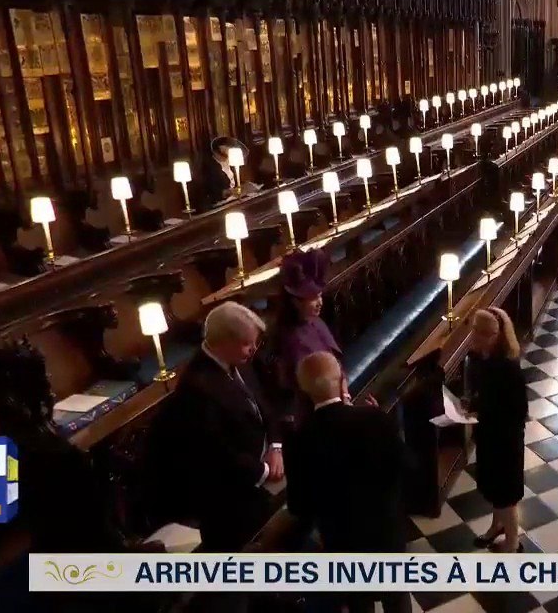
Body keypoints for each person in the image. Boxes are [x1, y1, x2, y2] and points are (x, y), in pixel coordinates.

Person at [284, 352, 412, 613]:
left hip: (342, 543)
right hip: (385, 534)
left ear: (305, 391)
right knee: (396, 599)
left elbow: (299, 506)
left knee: (357, 603)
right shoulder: (374, 419)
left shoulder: (299, 440)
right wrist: (383, 423)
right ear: (342, 380)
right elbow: (408, 467)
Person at [151, 301, 282, 552]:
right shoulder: (197, 389)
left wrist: (275, 446)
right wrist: (265, 471)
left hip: (261, 469)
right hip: (231, 497)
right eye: (247, 343)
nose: (254, 349)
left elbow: (265, 405)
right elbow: (218, 454)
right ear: (224, 342)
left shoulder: (240, 360)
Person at [463, 308, 528, 553]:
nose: (477, 337)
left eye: (484, 333)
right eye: (475, 331)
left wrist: (482, 411)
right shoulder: (482, 359)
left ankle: (512, 542)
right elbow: (486, 396)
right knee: (492, 487)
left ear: (498, 335)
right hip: (489, 436)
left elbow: (518, 410)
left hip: (505, 440)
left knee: (505, 495)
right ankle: (496, 526)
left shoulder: (508, 368)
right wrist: (472, 404)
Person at [268, 249, 355, 425]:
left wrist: (345, 394)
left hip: (338, 400)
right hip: (318, 416)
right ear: (295, 301)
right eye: (313, 298)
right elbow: (310, 391)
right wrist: (343, 404)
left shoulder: (315, 321)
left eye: (320, 295)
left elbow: (337, 363)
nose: (320, 302)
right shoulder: (290, 338)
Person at [201, 136, 248, 208]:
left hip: (234, 201)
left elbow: (238, 181)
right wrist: (226, 192)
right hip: (220, 204)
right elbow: (209, 192)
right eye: (228, 148)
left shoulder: (232, 162)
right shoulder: (209, 167)